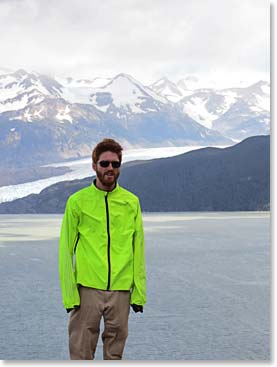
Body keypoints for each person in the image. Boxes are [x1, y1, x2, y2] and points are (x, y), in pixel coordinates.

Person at [59, 138, 146, 360]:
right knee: (81, 353)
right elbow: (65, 251)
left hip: (121, 291)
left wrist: (139, 293)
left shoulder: (131, 202)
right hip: (87, 290)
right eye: (105, 163)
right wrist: (70, 296)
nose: (110, 168)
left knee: (115, 355)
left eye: (115, 164)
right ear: (94, 165)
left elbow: (138, 249)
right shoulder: (77, 202)